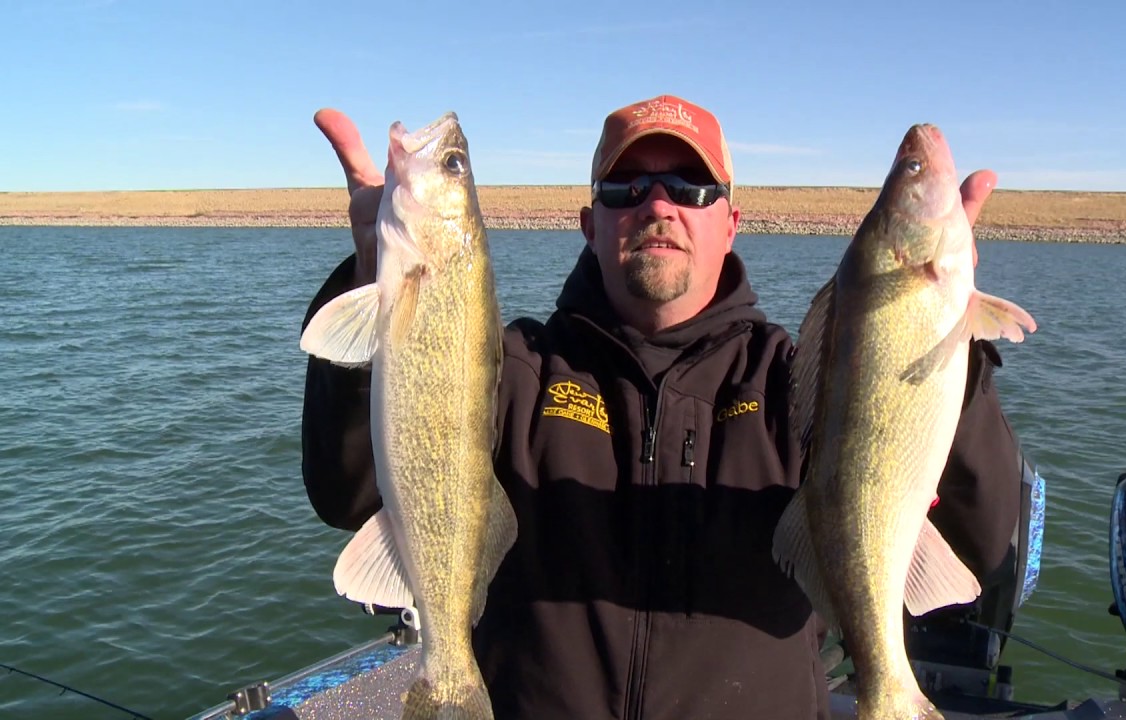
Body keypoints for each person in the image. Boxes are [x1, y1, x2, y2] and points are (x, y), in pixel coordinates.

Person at [300, 94, 1025, 720]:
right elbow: (347, 493)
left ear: (732, 222)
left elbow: (982, 542)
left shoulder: (797, 382)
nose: (657, 205)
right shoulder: (512, 368)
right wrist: (373, 278)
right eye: (626, 187)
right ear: (591, 223)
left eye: (690, 186)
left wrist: (944, 348)